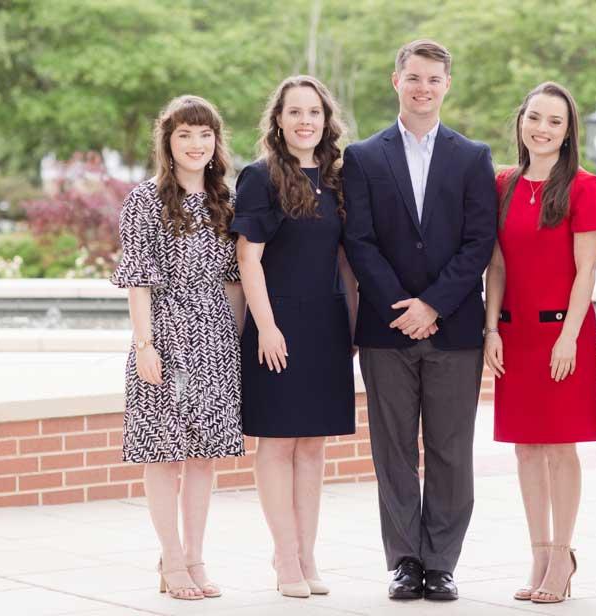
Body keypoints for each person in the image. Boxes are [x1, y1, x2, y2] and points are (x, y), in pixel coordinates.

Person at [341, 39, 496, 601]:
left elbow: (480, 242)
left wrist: (434, 304)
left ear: (446, 85)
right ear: (396, 80)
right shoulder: (362, 157)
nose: (423, 87)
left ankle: (442, 562)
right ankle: (405, 560)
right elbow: (359, 241)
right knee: (394, 450)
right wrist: (403, 308)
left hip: (454, 330)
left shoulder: (473, 157)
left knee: (453, 451)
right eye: (414, 77)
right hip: (387, 331)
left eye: (433, 79)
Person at [110, 94, 245, 601]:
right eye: (185, 134)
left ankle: (195, 556)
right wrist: (143, 344)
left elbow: (234, 279)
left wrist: (234, 341)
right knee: (164, 453)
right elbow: (138, 280)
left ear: (216, 142)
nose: (195, 144)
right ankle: (170, 558)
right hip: (164, 334)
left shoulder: (226, 200)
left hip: (214, 338)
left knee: (205, 457)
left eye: (204, 134)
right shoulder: (145, 199)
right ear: (168, 141)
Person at [232, 75, 357, 599]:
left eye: (314, 112)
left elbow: (347, 261)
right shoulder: (259, 178)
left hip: (326, 324)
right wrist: (266, 327)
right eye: (294, 112)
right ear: (278, 121)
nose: (305, 121)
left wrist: (352, 326)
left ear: (326, 120)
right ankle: (284, 558)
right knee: (278, 442)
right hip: (275, 324)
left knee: (313, 447)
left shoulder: (339, 180)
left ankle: (308, 555)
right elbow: (248, 258)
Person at [483, 81, 596, 605]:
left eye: (555, 121)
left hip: (564, 335)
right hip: (515, 334)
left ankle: (562, 554)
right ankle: (537, 552)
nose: (543, 128)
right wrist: (491, 328)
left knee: (560, 448)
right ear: (521, 121)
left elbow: (586, 272)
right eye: (535, 117)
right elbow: (498, 265)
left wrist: (569, 337)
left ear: (568, 130)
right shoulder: (502, 184)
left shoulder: (583, 186)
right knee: (526, 450)